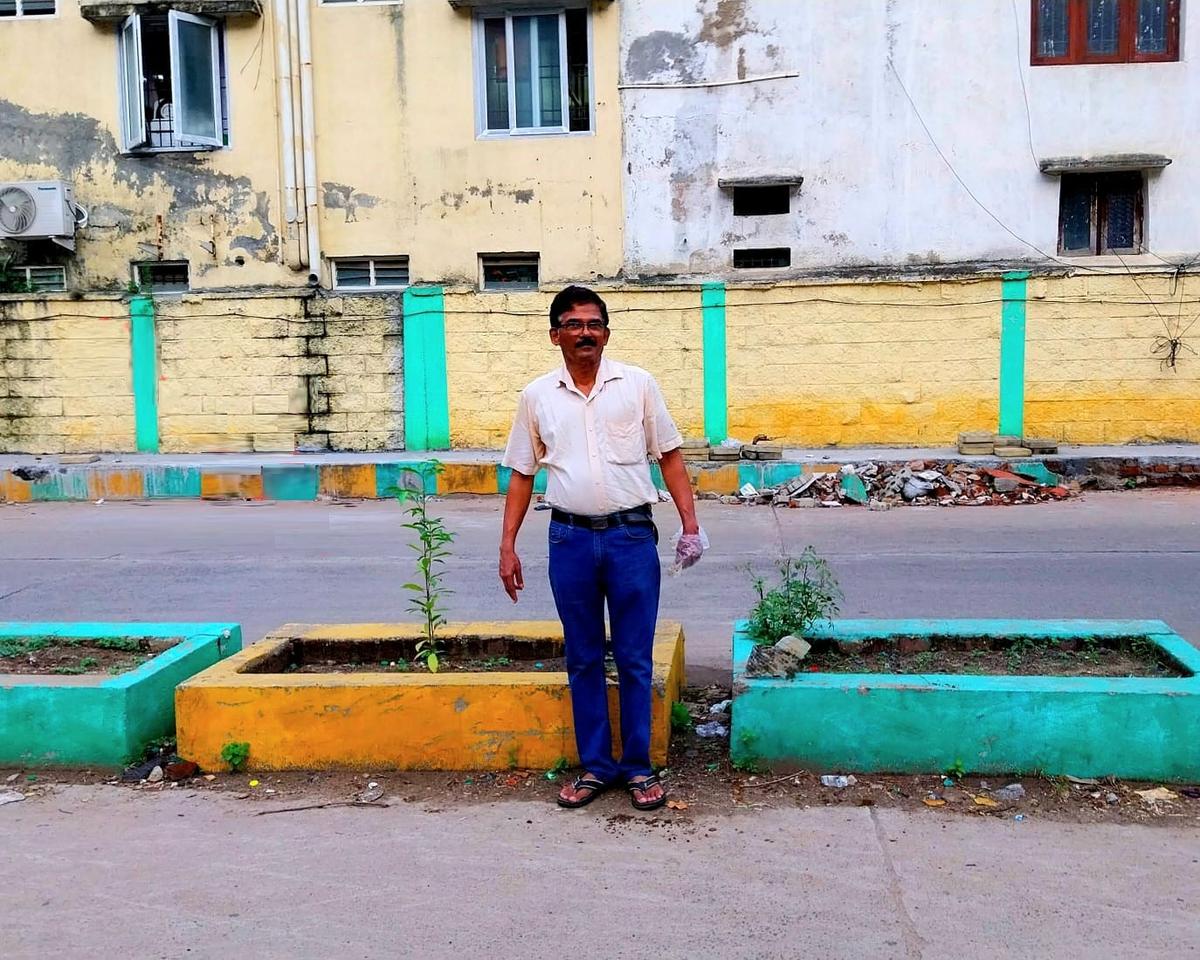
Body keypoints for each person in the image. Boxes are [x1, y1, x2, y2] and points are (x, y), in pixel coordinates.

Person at [499, 285, 706, 812]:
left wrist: (690, 525)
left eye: (594, 324)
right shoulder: (537, 396)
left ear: (606, 333)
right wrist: (508, 547)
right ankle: (597, 766)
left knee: (636, 658)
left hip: (631, 537)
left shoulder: (637, 385)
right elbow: (523, 475)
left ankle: (638, 768)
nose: (584, 332)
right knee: (583, 657)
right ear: (555, 335)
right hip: (568, 539)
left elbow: (671, 457)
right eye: (573, 324)